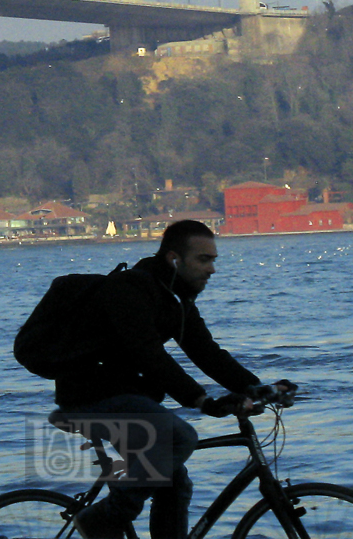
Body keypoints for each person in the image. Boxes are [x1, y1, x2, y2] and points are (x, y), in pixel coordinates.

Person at [55, 219, 284, 539]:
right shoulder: (133, 290)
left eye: (214, 260)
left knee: (174, 485)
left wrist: (253, 387)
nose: (212, 269)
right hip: (91, 397)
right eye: (204, 260)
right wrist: (201, 400)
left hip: (126, 397)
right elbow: (151, 357)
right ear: (175, 260)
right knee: (181, 437)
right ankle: (103, 518)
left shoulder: (177, 300)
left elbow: (206, 352)